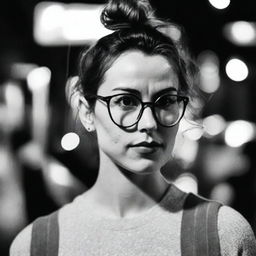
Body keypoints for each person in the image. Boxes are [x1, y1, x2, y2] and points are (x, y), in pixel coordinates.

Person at [10, 0, 256, 255]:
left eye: (166, 101)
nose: (149, 122)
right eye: (126, 101)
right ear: (86, 111)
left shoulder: (222, 235)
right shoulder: (37, 245)